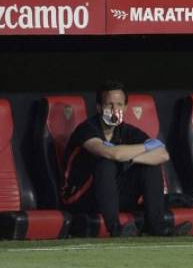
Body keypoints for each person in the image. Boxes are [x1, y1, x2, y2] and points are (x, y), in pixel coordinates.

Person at [62, 80, 173, 237]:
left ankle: (157, 228)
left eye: (120, 105)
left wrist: (133, 159)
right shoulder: (87, 129)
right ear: (99, 107)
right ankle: (115, 229)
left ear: (126, 107)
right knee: (106, 163)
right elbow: (112, 153)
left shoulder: (127, 131)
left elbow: (163, 155)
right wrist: (147, 147)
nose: (115, 110)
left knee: (151, 165)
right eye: (109, 105)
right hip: (80, 198)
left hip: (111, 195)